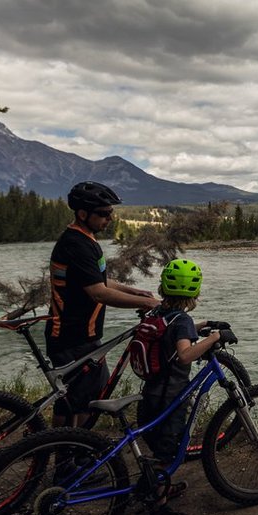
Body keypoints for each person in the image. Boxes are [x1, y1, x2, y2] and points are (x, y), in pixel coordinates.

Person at [47, 181, 161, 428]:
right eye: (103, 213)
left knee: (81, 396)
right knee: (82, 399)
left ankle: (68, 452)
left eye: (111, 213)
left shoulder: (84, 239)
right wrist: (149, 302)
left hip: (82, 337)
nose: (109, 218)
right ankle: (68, 456)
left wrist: (134, 291)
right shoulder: (76, 244)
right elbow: (99, 293)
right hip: (71, 337)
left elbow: (97, 280)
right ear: (83, 213)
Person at [137, 257, 221, 515]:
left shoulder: (159, 313)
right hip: (169, 401)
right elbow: (185, 355)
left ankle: (149, 488)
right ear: (194, 292)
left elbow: (173, 336)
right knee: (167, 456)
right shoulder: (181, 319)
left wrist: (201, 325)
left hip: (149, 396)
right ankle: (159, 511)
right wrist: (212, 339)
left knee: (156, 448)